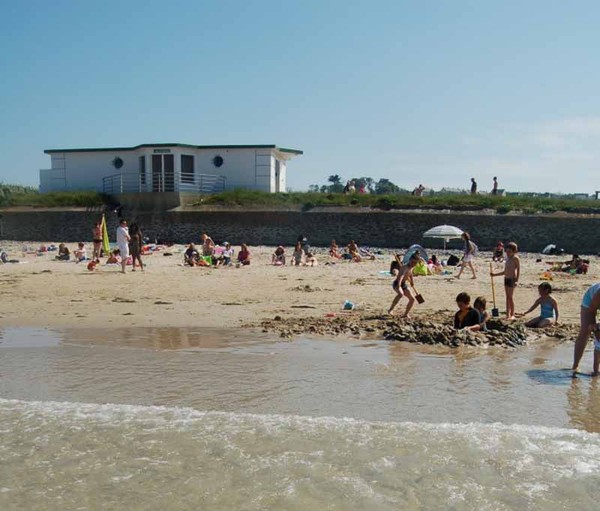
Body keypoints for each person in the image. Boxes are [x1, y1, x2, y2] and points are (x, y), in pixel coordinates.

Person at [572, 283, 600, 376]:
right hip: (590, 303)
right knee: (585, 332)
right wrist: (595, 330)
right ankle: (575, 366)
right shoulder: (598, 293)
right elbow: (592, 310)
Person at [490, 242, 520, 320]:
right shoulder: (507, 259)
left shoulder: (515, 258)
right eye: (507, 251)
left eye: (509, 251)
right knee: (507, 297)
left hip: (512, 279)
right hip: (506, 279)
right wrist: (494, 274)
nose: (508, 253)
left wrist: (517, 280)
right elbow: (505, 272)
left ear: (514, 251)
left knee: (510, 297)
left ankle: (512, 314)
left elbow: (518, 269)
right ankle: (507, 314)